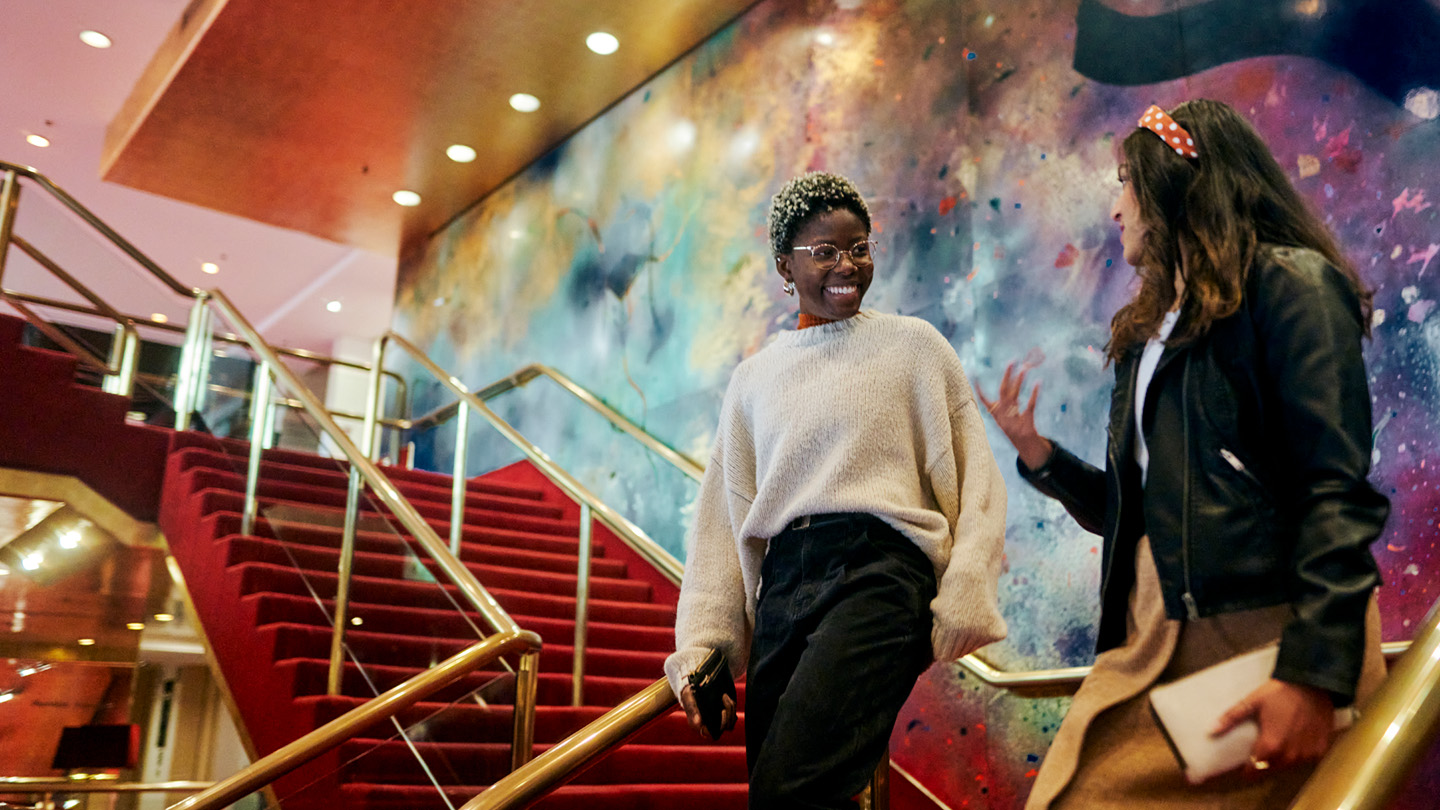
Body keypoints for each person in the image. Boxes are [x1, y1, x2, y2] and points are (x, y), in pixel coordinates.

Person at [977, 100, 1390, 809]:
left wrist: (1314, 672)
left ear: (1171, 182)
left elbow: (1336, 489)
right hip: (1152, 631)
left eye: (1125, 184)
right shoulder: (1150, 332)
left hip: (1259, 635)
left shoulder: (1290, 286)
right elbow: (1139, 514)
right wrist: (1041, 457)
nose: (1117, 211)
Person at [664, 171, 1009, 809]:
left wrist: (966, 587)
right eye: (825, 252)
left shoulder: (914, 347)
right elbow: (722, 519)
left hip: (881, 573)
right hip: (784, 586)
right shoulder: (753, 379)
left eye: (859, 247)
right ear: (784, 266)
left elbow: (977, 480)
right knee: (779, 788)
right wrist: (704, 645)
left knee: (792, 788)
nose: (847, 264)